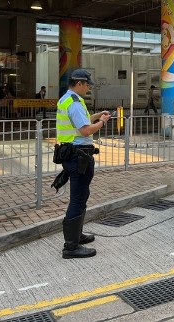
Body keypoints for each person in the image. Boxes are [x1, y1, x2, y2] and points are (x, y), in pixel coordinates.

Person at [56, 68, 111, 259]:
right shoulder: (75, 103)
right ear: (79, 83)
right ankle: (70, 247)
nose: (88, 88)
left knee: (81, 195)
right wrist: (102, 122)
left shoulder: (67, 99)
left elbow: (81, 123)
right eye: (87, 84)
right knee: (78, 198)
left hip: (73, 155)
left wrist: (97, 116)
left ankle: (77, 236)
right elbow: (86, 131)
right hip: (78, 156)